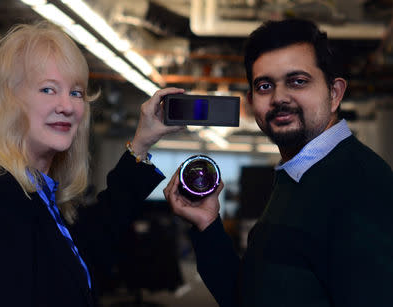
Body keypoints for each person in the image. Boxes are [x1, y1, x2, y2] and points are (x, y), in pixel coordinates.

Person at [0, 21, 184, 307]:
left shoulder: (32, 194)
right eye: (48, 89)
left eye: (76, 92)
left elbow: (87, 248)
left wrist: (141, 144)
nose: (67, 106)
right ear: (6, 100)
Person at [164, 18, 393, 307]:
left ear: (334, 93)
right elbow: (249, 297)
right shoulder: (297, 175)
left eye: (298, 81)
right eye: (264, 86)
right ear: (251, 102)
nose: (279, 98)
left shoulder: (363, 185)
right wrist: (207, 225)